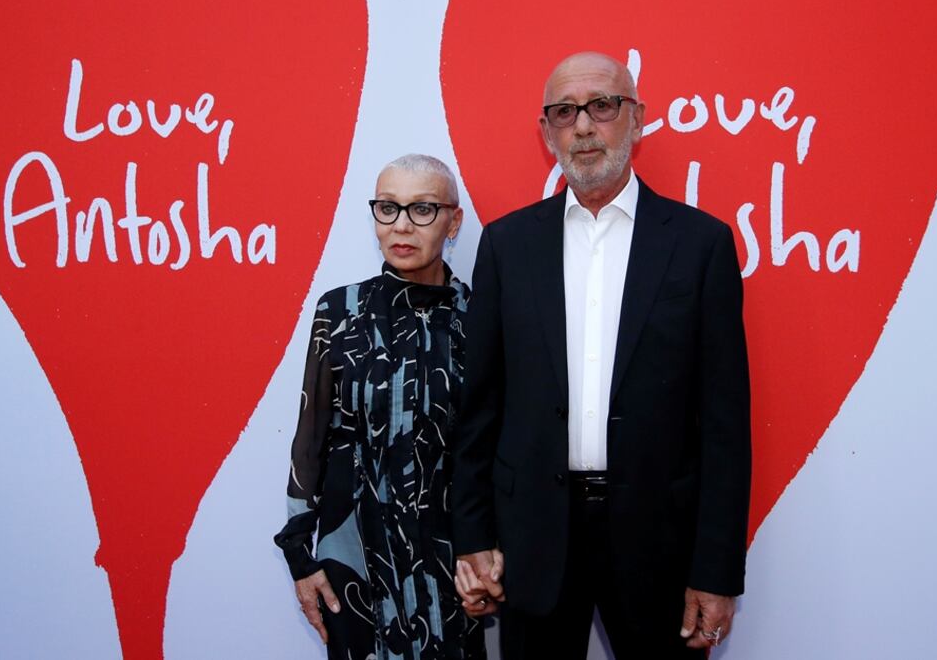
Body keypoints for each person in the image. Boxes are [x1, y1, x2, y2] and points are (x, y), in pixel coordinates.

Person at [450, 52, 752, 659]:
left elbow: (724, 426)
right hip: (532, 540)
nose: (583, 126)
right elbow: (479, 407)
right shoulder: (508, 246)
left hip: (658, 545)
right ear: (546, 132)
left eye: (602, 106)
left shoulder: (700, 246)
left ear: (636, 120)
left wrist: (717, 572)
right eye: (564, 112)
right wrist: (472, 534)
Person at [274, 154, 485, 659]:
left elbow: (493, 448)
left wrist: (489, 552)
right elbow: (310, 441)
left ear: (454, 221)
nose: (402, 226)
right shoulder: (339, 310)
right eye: (387, 209)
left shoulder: (479, 320)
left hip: (451, 563)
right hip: (351, 561)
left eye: (423, 209)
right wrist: (301, 558)